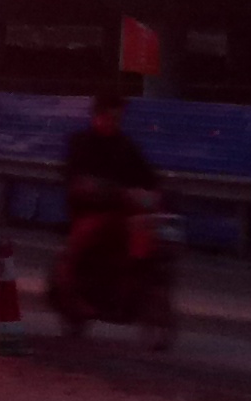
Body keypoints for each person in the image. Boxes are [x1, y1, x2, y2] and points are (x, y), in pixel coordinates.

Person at [51, 89, 166, 340]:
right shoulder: (82, 143)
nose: (114, 122)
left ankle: (135, 283)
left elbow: (148, 176)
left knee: (150, 236)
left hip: (124, 213)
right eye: (110, 117)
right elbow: (74, 177)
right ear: (98, 116)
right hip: (89, 212)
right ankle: (76, 297)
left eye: (118, 118)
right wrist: (94, 188)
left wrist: (155, 192)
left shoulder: (126, 146)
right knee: (88, 239)